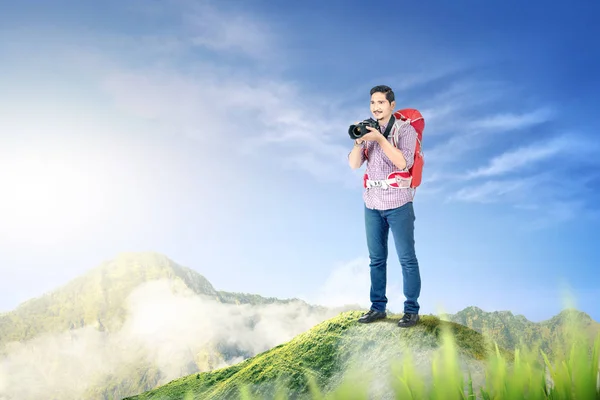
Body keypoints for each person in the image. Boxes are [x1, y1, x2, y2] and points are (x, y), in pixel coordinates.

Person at [347, 85, 421, 328]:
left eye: (381, 102)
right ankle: (377, 307)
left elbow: (403, 162)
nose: (376, 107)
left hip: (399, 203)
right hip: (372, 203)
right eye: (372, 102)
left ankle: (411, 310)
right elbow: (354, 165)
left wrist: (380, 138)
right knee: (376, 259)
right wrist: (359, 142)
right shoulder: (370, 130)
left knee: (406, 258)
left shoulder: (405, 130)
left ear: (392, 105)